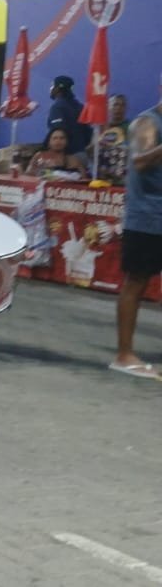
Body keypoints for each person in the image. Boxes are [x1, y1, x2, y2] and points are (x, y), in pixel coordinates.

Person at [111, 81, 162, 378]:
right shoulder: (147, 122)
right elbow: (140, 161)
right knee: (136, 283)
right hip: (147, 217)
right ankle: (124, 355)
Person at [48, 75, 91, 154]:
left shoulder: (57, 107)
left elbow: (58, 132)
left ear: (57, 89)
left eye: (52, 86)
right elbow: (88, 132)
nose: (50, 89)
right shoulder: (80, 107)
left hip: (66, 156)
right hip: (82, 154)